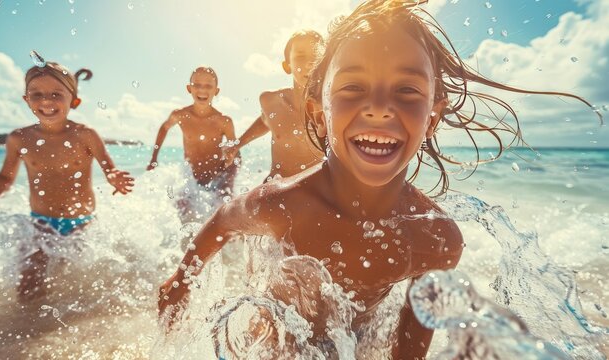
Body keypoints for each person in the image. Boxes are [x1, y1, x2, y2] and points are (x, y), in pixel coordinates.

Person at [158, 1, 598, 358]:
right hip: (273, 342)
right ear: (318, 112)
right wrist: (178, 283)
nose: (380, 107)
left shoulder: (435, 238)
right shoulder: (282, 203)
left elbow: (408, 351)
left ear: (432, 116)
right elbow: (221, 223)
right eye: (352, 88)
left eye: (407, 90)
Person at [0, 61, 134, 302]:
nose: (46, 101)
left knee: (75, 284)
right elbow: (5, 177)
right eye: (37, 95)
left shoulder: (85, 135)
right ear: (26, 100)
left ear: (73, 101)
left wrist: (114, 177)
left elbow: (108, 166)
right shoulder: (19, 138)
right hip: (41, 222)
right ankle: (29, 326)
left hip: (81, 223)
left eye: (56, 94)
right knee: (29, 283)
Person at [223, 30, 324, 182]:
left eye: (316, 56)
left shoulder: (333, 107)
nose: (310, 62)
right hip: (276, 191)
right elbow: (266, 121)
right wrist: (237, 145)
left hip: (317, 192)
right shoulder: (272, 102)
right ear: (287, 66)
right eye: (301, 56)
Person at [147, 67, 239, 196]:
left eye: (208, 86)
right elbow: (165, 127)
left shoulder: (224, 121)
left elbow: (236, 151)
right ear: (189, 88)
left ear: (216, 91)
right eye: (197, 85)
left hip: (217, 179)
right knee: (181, 208)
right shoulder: (180, 115)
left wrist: (229, 180)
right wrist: (154, 158)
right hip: (191, 180)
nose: (202, 89)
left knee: (223, 206)